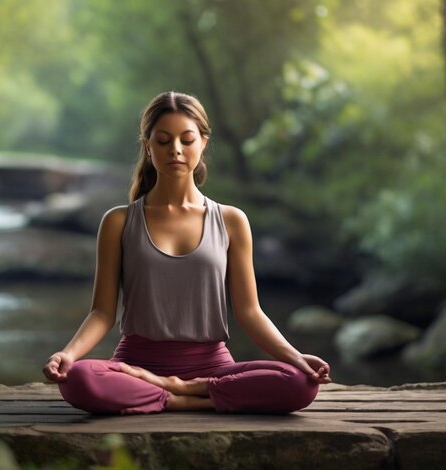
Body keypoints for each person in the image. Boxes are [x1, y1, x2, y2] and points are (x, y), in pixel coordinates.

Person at [43, 91, 331, 414]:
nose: (175, 150)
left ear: (203, 142)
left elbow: (249, 313)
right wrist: (68, 354)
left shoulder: (232, 221)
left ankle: (185, 392)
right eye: (163, 141)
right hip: (136, 369)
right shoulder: (118, 222)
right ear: (148, 145)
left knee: (300, 381)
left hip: (212, 368)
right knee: (78, 378)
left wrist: (295, 357)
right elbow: (102, 313)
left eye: (187, 139)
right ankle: (186, 400)